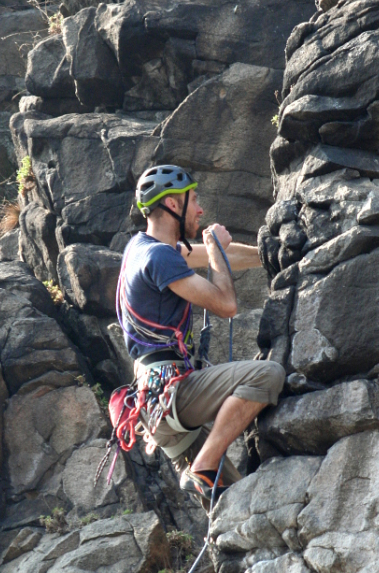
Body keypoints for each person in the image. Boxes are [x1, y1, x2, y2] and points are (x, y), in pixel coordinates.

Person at [116, 164, 285, 505]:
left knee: (232, 503)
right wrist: (218, 253)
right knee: (268, 374)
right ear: (173, 205)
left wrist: (272, 257)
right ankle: (204, 464)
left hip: (155, 402)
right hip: (172, 391)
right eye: (193, 200)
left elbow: (216, 255)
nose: (200, 209)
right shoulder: (159, 257)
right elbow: (225, 305)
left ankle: (206, 473)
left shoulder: (143, 247)